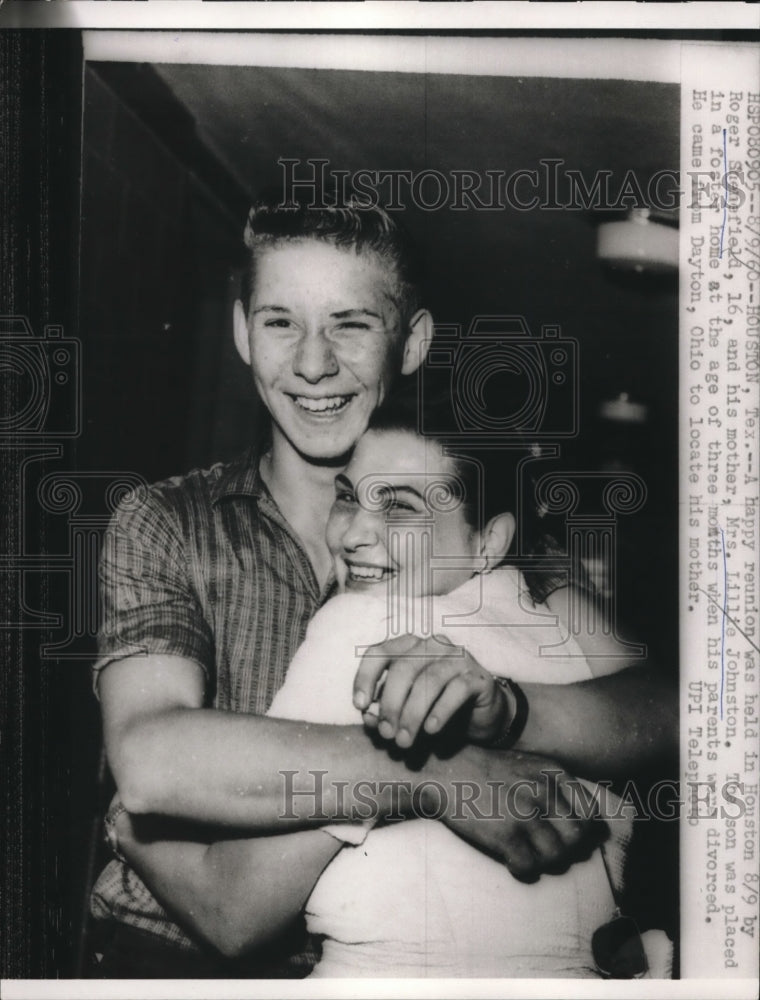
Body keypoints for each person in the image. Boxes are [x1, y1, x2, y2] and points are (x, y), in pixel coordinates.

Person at [91, 195, 676, 977]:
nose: (311, 363)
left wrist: (505, 711)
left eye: (351, 324)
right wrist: (433, 769)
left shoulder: (486, 544)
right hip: (167, 955)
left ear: (412, 343)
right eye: (279, 321)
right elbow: (151, 758)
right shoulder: (168, 519)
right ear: (240, 332)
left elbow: (668, 710)